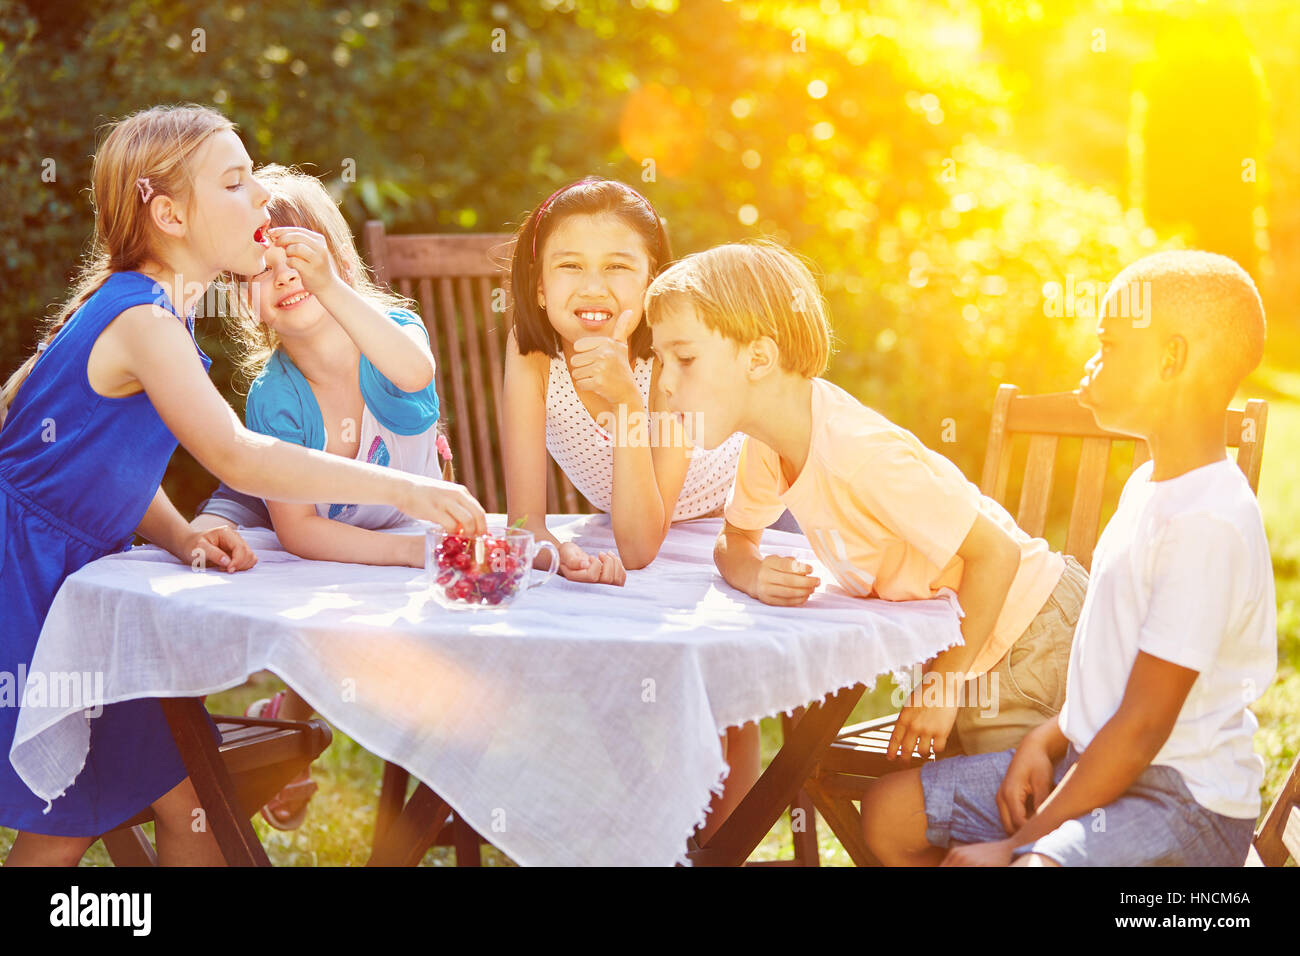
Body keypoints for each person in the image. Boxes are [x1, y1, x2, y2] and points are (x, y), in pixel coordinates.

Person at [0, 105, 485, 866]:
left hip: (76, 587)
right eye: (235, 182)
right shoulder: (143, 322)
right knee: (65, 817)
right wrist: (406, 494)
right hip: (28, 588)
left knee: (186, 800)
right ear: (169, 214)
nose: (260, 196)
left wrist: (179, 531)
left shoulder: (158, 317)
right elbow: (240, 456)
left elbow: (102, 470)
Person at [862, 250, 1275, 866]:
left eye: (1108, 345)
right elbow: (1115, 673)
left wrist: (1013, 847)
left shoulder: (1208, 523)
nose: (1090, 362)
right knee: (889, 816)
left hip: (1181, 803)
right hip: (1093, 762)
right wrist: (1047, 737)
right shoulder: (1148, 487)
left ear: (1172, 358)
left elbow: (1141, 730)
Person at [644, 240, 1086, 762]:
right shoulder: (767, 446)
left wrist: (941, 690)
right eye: (659, 359)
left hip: (1028, 631)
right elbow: (736, 537)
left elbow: (998, 555)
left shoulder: (857, 453)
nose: (664, 383)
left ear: (759, 358)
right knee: (918, 813)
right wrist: (753, 572)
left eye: (685, 358)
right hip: (968, 642)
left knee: (1003, 819)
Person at [502, 178, 754, 841]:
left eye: (619, 267)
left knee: (721, 687)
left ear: (653, 284)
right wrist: (559, 552)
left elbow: (640, 543)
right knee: (591, 665)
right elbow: (527, 521)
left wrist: (626, 407)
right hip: (631, 527)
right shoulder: (531, 356)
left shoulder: (673, 358)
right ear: (537, 288)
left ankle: (718, 849)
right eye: (570, 266)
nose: (594, 287)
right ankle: (655, 832)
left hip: (744, 524)